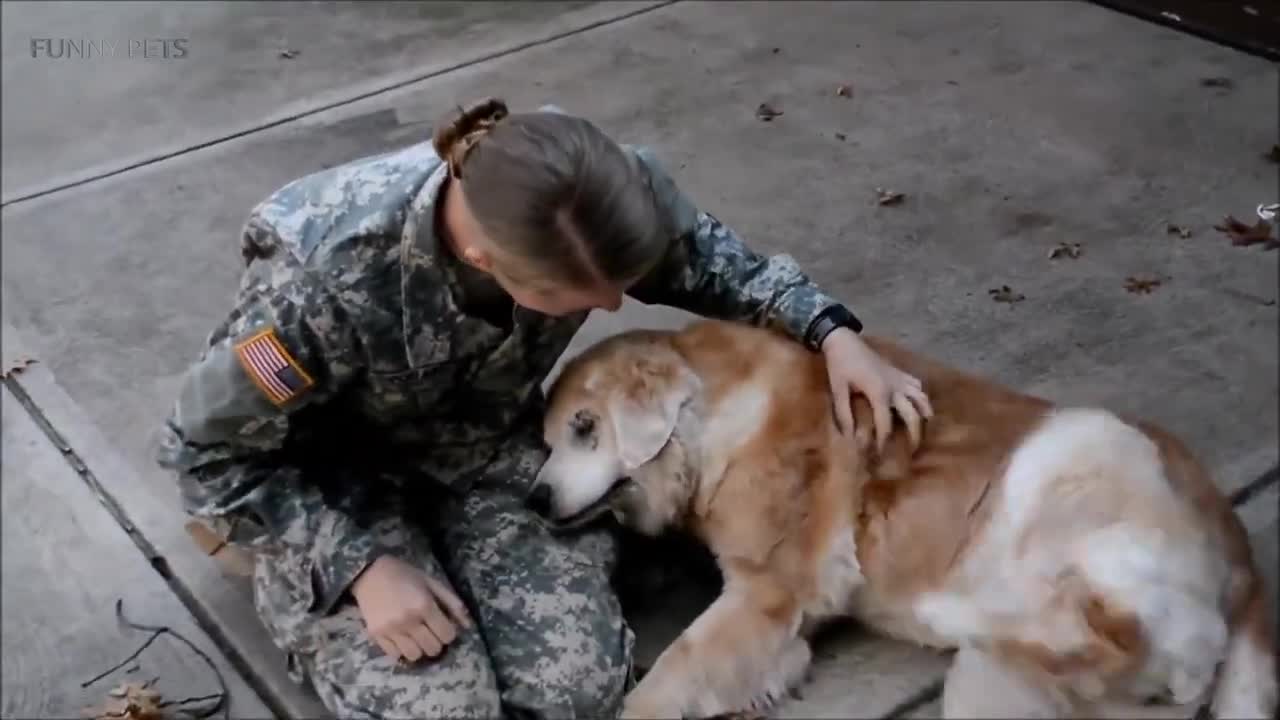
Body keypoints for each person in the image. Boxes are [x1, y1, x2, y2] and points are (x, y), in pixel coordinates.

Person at [155, 97, 933, 720]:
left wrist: (832, 333)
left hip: (484, 452)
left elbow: (711, 264)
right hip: (335, 494)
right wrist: (356, 566)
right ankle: (299, 587)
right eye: (576, 295)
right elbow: (203, 453)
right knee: (444, 709)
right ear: (483, 258)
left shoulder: (595, 194)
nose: (606, 303)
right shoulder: (317, 285)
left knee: (575, 692)